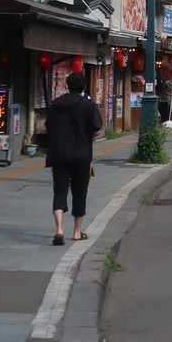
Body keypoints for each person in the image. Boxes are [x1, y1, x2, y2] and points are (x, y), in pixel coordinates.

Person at [45, 72, 102, 245]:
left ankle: (59, 230)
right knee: (80, 192)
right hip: (81, 155)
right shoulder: (88, 105)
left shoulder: (56, 105)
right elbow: (97, 129)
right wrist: (88, 137)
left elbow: (49, 127)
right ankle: (77, 232)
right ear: (83, 87)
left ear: (67, 86)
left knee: (60, 191)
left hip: (59, 154)